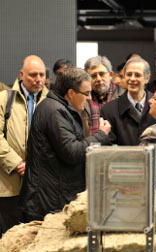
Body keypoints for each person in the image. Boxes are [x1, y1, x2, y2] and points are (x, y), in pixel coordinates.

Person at [19, 67, 111, 222]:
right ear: (70, 93)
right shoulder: (55, 111)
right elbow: (72, 152)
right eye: (86, 93)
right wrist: (101, 135)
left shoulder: (59, 108)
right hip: (48, 201)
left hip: (53, 195)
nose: (89, 98)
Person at [0, 55, 48, 236]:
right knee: (7, 237)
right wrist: (17, 164)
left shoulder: (51, 101)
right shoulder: (4, 99)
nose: (38, 79)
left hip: (40, 186)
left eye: (42, 75)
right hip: (8, 185)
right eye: (33, 75)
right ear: (21, 74)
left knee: (34, 238)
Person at [101, 57, 156, 145]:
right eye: (129, 74)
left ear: (147, 78)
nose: (132, 79)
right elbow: (108, 147)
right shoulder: (109, 110)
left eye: (137, 75)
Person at [81, 55, 118, 136]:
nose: (98, 79)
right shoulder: (82, 99)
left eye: (102, 74)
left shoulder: (122, 97)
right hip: (89, 146)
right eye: (93, 76)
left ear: (111, 75)